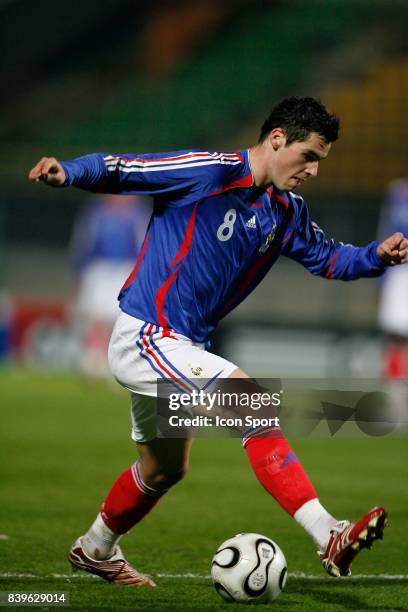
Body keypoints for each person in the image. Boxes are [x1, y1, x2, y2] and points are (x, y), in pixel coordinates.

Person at [29, 97, 408, 587]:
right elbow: (126, 169)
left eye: (320, 161)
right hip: (147, 334)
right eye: (309, 156)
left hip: (184, 345)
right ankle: (328, 533)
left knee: (164, 469)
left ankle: (95, 548)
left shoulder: (285, 212)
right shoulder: (206, 172)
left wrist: (376, 255)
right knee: (251, 404)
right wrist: (70, 172)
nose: (313, 170)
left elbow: (330, 259)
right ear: (277, 139)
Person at [70, 193, 152, 377]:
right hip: (99, 269)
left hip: (125, 270)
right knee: (95, 318)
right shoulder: (96, 213)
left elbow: (145, 246)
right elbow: (83, 244)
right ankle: (92, 361)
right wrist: (80, 271)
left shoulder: (138, 214)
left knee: (120, 321)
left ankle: (117, 365)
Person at [377, 179, 408, 378]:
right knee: (396, 334)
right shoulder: (398, 194)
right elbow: (386, 233)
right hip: (398, 271)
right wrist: (381, 279)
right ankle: (394, 385)